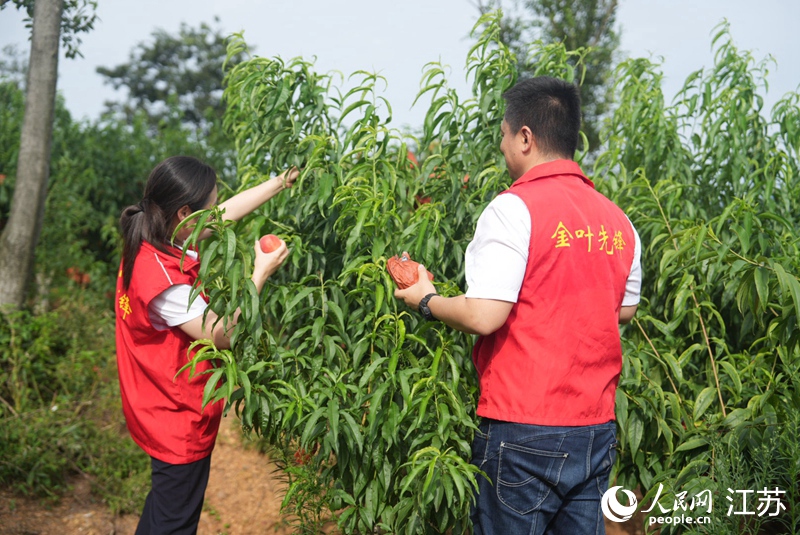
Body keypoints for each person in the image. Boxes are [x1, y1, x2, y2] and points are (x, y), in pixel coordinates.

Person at [394, 76, 642, 534]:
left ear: (525, 137)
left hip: (524, 425)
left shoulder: (514, 208)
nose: (503, 146)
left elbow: (485, 315)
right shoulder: (617, 219)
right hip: (594, 426)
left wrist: (426, 299)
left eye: (505, 135)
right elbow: (623, 309)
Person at [115, 155, 298, 534]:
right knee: (174, 524)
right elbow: (222, 334)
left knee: (162, 512)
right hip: (175, 417)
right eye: (209, 205)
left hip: (154, 404)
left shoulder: (150, 240)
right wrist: (259, 274)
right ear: (184, 213)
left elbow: (220, 217)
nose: (216, 214)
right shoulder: (164, 279)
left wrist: (279, 182)